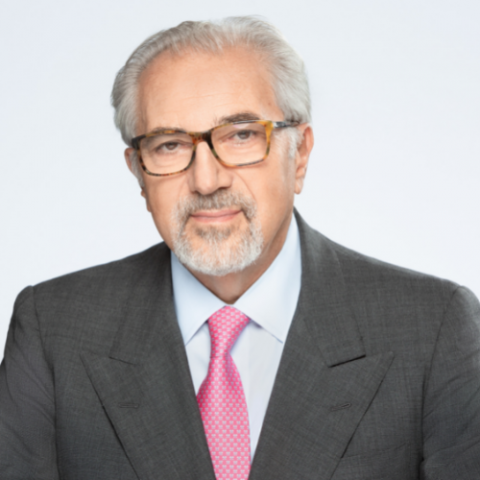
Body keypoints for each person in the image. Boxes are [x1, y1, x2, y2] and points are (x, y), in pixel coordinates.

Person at [1, 16, 480, 480]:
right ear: (138, 173)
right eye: (169, 145)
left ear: (300, 154)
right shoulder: (53, 331)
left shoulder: (433, 329)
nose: (206, 180)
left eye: (242, 135)